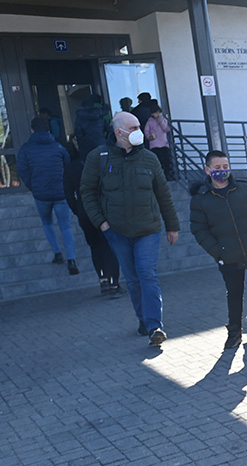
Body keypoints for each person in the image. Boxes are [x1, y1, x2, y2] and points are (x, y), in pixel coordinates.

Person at [80, 111, 181, 346]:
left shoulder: (149, 158)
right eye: (134, 127)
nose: (140, 131)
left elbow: (163, 193)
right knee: (133, 279)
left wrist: (172, 226)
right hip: (117, 230)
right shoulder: (99, 157)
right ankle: (143, 321)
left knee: (147, 275)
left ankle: (155, 326)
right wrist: (101, 222)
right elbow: (87, 191)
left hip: (148, 228)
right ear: (119, 132)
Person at [189, 150, 247, 350]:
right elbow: (199, 230)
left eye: (225, 167)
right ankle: (234, 332)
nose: (222, 171)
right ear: (208, 170)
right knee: (235, 293)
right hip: (228, 255)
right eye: (217, 168)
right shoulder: (201, 199)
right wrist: (218, 251)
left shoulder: (246, 189)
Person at [16, 116, 77, 274]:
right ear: (49, 130)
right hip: (60, 193)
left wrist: (33, 187)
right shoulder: (58, 147)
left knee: (47, 223)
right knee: (66, 226)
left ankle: (57, 253)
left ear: (32, 130)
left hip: (41, 194)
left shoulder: (25, 149)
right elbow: (68, 166)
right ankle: (72, 259)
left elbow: (22, 171)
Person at [65, 143, 121, 296]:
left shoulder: (70, 169)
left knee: (95, 247)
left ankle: (103, 280)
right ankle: (113, 283)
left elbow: (69, 195)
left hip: (84, 211)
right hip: (101, 209)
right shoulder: (96, 164)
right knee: (107, 246)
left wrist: (77, 210)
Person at [144, 104, 174, 180]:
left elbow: (166, 129)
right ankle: (158, 177)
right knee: (157, 162)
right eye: (155, 113)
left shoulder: (163, 120)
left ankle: (168, 176)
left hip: (164, 144)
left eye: (159, 113)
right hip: (154, 145)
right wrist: (149, 137)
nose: (157, 115)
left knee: (167, 161)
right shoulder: (150, 122)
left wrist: (160, 121)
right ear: (152, 114)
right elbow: (146, 131)